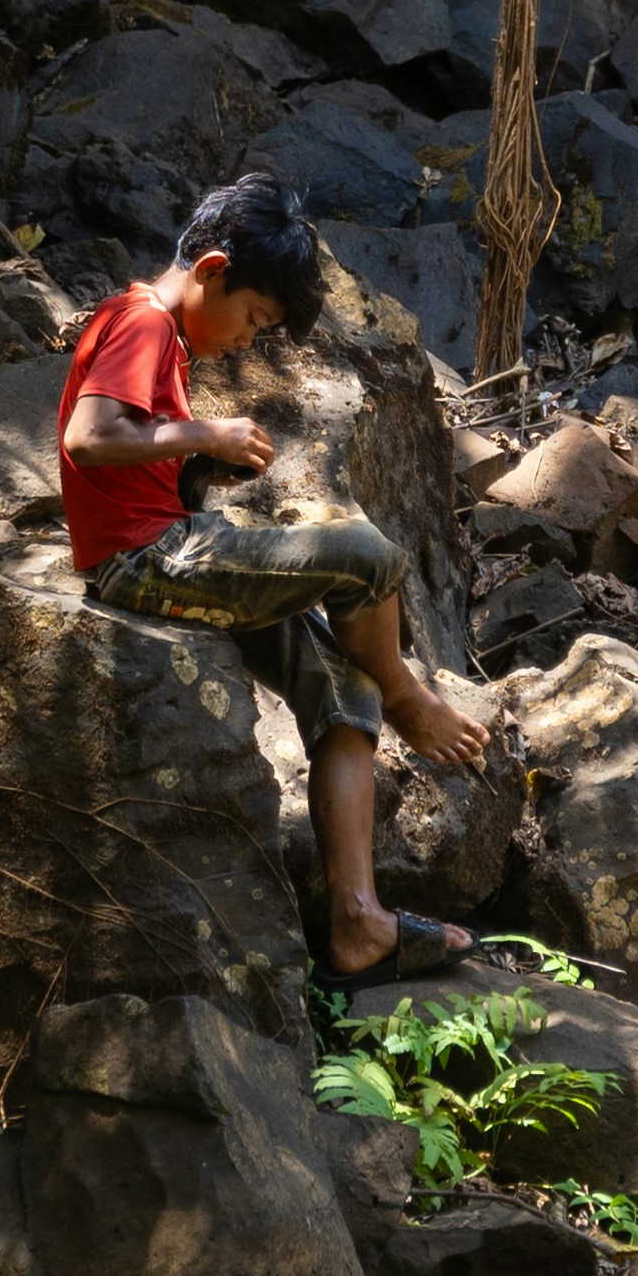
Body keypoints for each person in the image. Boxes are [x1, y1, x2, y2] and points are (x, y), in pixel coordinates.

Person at [58, 171, 490, 988]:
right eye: (255, 319)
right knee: (366, 556)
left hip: (174, 543)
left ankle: (359, 921)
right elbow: (89, 435)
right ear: (213, 267)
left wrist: (193, 460)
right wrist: (205, 432)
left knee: (338, 681)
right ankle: (407, 696)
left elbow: (129, 450)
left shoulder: (164, 336)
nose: (248, 340)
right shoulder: (143, 320)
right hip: (143, 562)